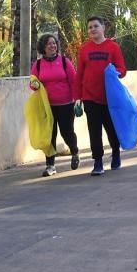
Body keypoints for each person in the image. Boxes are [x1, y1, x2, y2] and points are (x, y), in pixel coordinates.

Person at [75, 15, 127, 177]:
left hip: (110, 98)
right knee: (94, 131)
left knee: (111, 129)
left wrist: (113, 72)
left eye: (95, 26)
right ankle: (97, 162)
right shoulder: (84, 49)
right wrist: (78, 97)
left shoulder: (113, 47)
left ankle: (116, 153)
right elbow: (79, 74)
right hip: (90, 97)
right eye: (90, 27)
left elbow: (122, 70)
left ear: (103, 28)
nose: (92, 29)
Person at [30, 33, 80, 176]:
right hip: (47, 106)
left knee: (67, 132)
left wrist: (77, 99)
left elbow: (74, 81)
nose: (52, 46)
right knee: (49, 135)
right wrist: (34, 84)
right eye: (48, 44)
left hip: (66, 104)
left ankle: (75, 152)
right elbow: (33, 83)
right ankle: (50, 165)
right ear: (43, 48)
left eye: (54, 43)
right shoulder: (38, 64)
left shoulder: (64, 61)